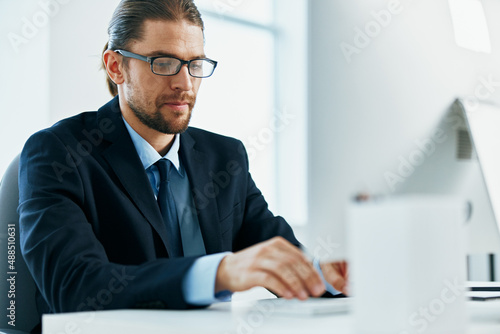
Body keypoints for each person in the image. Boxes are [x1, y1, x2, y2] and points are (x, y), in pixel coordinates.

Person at [18, 0, 348, 331]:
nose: (185, 84)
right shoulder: (59, 152)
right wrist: (220, 272)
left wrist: (332, 276)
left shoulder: (225, 156)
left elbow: (282, 260)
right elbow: (75, 288)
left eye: (195, 64)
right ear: (116, 66)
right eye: (164, 63)